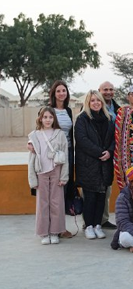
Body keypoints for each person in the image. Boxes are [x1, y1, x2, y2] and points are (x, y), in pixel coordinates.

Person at [75, 90, 115, 240]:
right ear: (88, 102)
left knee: (101, 197)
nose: (96, 103)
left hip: (105, 164)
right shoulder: (82, 119)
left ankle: (98, 225)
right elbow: (82, 140)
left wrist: (109, 152)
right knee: (90, 197)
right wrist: (100, 152)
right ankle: (89, 226)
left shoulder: (108, 119)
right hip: (88, 164)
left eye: (98, 100)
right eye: (92, 100)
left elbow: (113, 139)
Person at [28, 107, 69, 244]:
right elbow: (31, 159)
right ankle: (44, 233)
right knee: (42, 204)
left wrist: (64, 177)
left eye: (50, 117)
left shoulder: (60, 134)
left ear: (54, 119)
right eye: (45, 117)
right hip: (41, 172)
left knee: (57, 203)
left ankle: (55, 232)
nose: (47, 120)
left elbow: (65, 156)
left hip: (56, 171)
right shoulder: (34, 135)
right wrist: (32, 179)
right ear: (40, 119)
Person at [49, 80, 74, 234]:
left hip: (68, 152)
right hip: (53, 154)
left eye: (64, 90)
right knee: (54, 190)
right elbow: (40, 130)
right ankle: (53, 228)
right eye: (58, 91)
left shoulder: (68, 111)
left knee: (64, 187)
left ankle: (60, 227)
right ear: (54, 93)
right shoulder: (48, 110)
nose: (61, 93)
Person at [98, 80, 121, 229]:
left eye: (111, 89)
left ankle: (104, 219)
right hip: (96, 153)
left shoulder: (118, 109)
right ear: (99, 91)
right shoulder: (92, 107)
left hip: (112, 152)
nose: (108, 92)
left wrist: (111, 150)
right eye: (105, 89)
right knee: (93, 189)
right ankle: (90, 221)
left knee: (107, 188)